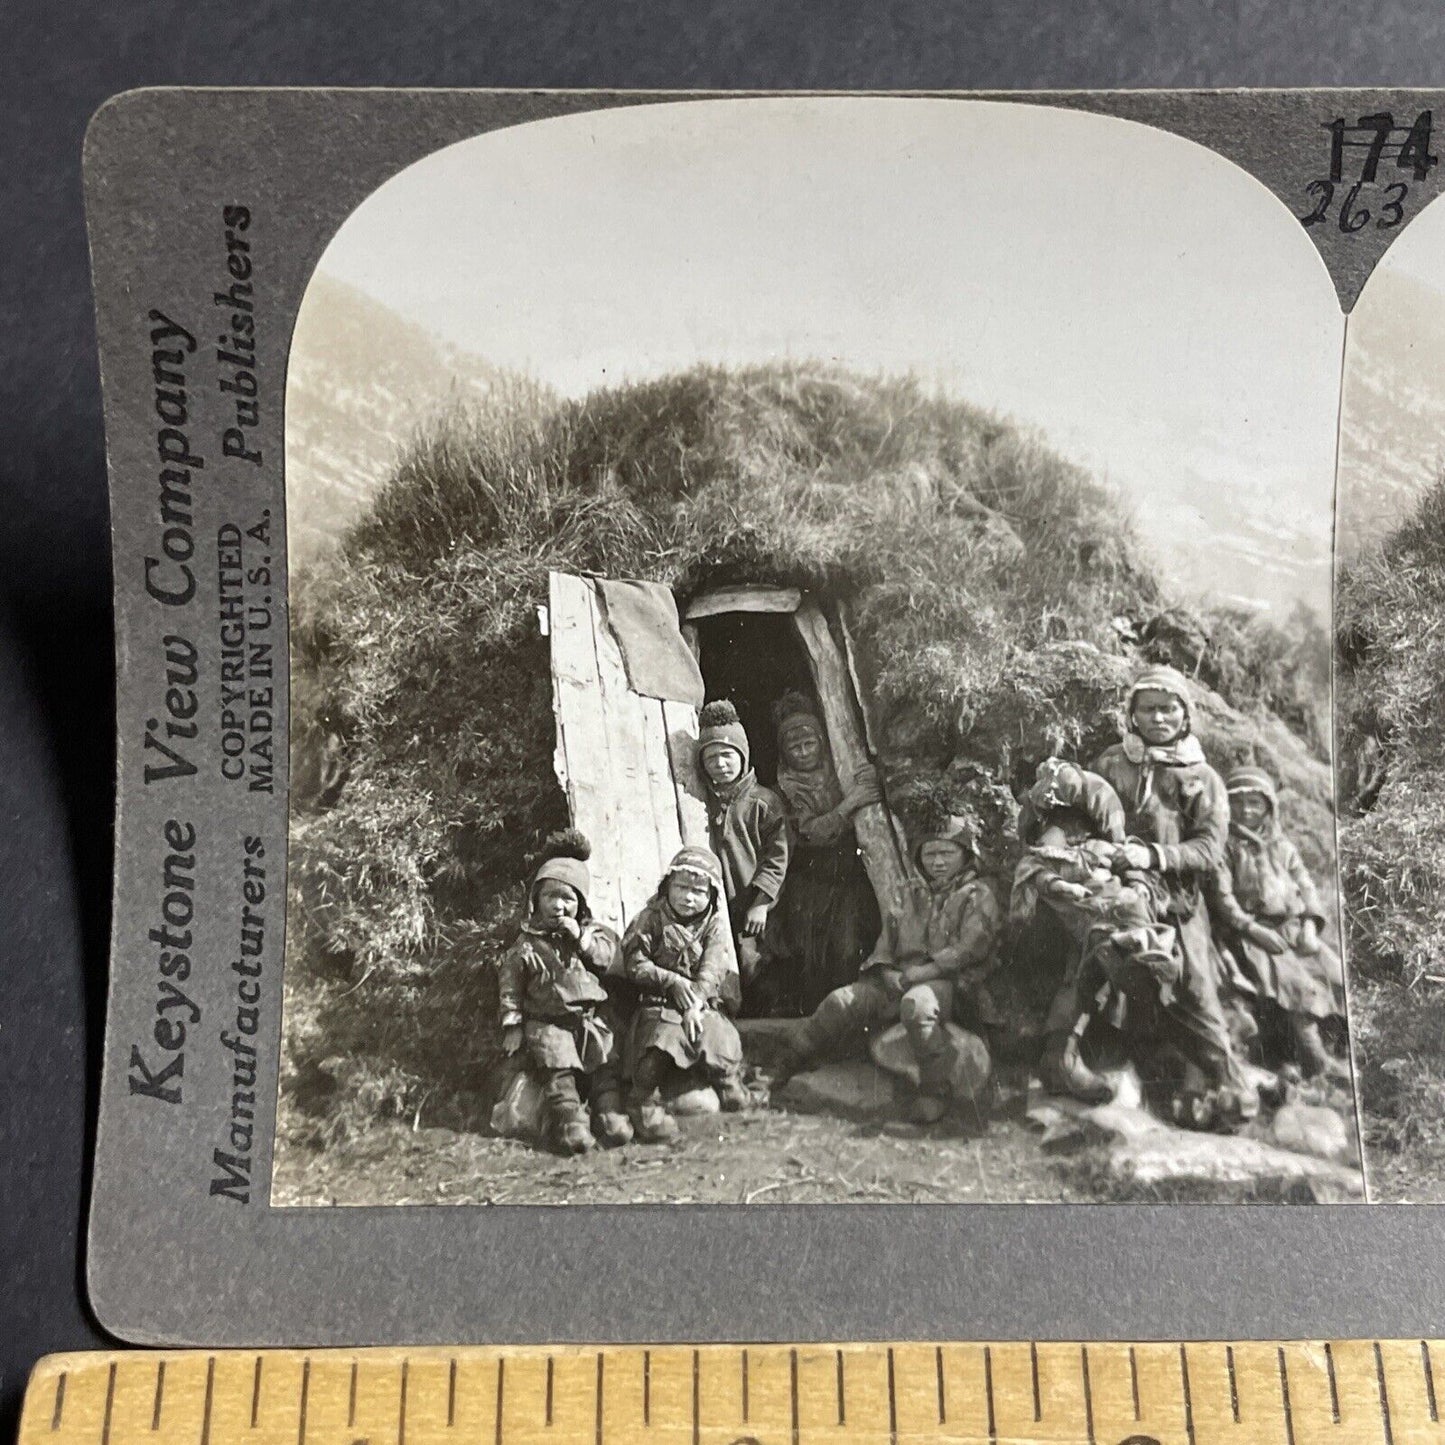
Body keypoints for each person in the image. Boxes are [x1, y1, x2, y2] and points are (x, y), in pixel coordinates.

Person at [1073, 664, 1253, 1124]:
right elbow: (1085, 818)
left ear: (1185, 716)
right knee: (1108, 972)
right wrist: (1100, 851)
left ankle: (1230, 1091)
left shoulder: (1202, 776)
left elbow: (1209, 849)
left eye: (1168, 709)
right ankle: (1100, 1073)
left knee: (1195, 991)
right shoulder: (1112, 763)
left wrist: (1153, 857)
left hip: (1180, 899)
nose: (1158, 718)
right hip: (1119, 891)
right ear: (1132, 715)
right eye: (1147, 709)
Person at [771, 816, 1002, 1124]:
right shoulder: (908, 893)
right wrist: (886, 971)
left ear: (965, 854)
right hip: (899, 978)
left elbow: (971, 947)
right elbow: (886, 942)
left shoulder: (977, 894)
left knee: (918, 1005)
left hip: (949, 985)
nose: (938, 862)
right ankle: (782, 1066)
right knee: (841, 1001)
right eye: (930, 853)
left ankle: (934, 1090)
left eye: (947, 853)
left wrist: (925, 971)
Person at [1208, 766, 1349, 1082]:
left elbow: (1305, 884)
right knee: (1295, 986)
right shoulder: (1225, 847)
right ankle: (1316, 1062)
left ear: (1268, 807)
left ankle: (1341, 1047)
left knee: (1334, 973)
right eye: (1238, 803)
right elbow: (1223, 898)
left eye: (1255, 803)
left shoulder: (1282, 846)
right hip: (1252, 932)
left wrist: (1311, 923)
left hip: (1293, 927)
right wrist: (1253, 929)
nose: (1246, 811)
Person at [497, 829, 632, 1154]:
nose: (558, 906)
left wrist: (581, 941)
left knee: (604, 1068)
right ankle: (572, 1124)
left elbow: (611, 960)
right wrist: (513, 1025)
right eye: (550, 897)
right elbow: (510, 985)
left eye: (568, 899)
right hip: (548, 1023)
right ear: (536, 901)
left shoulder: (594, 934)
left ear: (581, 903)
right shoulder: (527, 943)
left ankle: (610, 1117)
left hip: (591, 1020)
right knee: (559, 1075)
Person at [623, 847, 750, 1143]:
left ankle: (730, 1086)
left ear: (711, 895)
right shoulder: (650, 919)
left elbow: (712, 969)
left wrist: (695, 1002)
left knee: (717, 1034)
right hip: (658, 1004)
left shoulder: (713, 926)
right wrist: (671, 981)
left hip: (700, 1003)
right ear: (667, 886)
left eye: (698, 891)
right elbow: (635, 964)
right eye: (681, 887)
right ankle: (642, 1101)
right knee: (663, 1042)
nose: (688, 898)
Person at [769, 690, 882, 1011]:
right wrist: (851, 804)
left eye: (810, 744)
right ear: (784, 752)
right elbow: (810, 831)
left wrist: (871, 780)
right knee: (811, 957)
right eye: (794, 747)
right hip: (809, 885)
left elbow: (869, 788)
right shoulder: (786, 789)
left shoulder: (842, 770)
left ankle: (847, 1018)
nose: (803, 753)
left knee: (848, 949)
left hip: (847, 878)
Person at [696, 699, 791, 1012]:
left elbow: (777, 856)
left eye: (727, 756)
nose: (720, 765)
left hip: (754, 902)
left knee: (758, 961)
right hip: (721, 902)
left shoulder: (763, 801)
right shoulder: (701, 802)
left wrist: (762, 903)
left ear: (742, 756)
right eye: (711, 759)